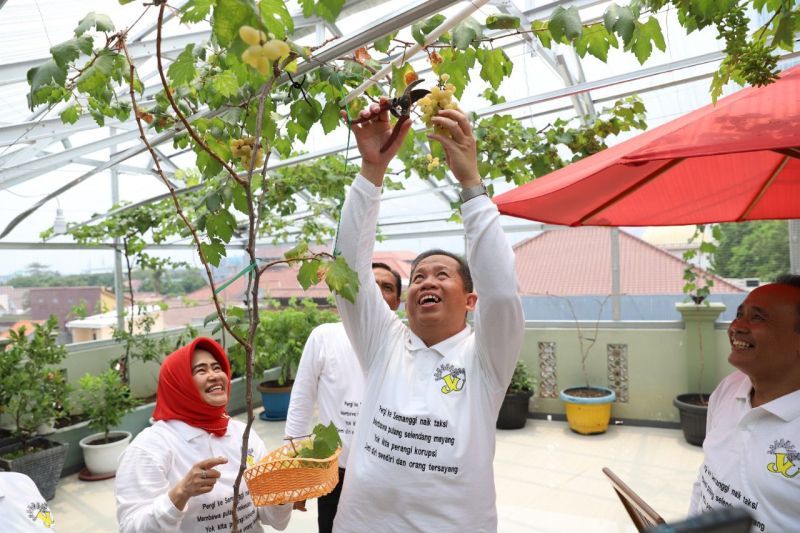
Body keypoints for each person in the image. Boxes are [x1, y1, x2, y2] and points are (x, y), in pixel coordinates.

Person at [330, 101, 524, 531]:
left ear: (471, 301)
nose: (426, 282)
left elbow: (502, 292)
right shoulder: (384, 343)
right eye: (418, 276)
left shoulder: (486, 359)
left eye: (442, 275)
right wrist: (370, 172)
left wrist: (471, 184)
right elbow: (347, 274)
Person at [115, 337, 291, 532]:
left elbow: (274, 520)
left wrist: (282, 493)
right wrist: (180, 494)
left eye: (217, 368)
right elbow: (131, 528)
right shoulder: (150, 448)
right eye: (201, 370)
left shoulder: (242, 433)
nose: (215, 375)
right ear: (179, 383)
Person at [285, 262, 402, 532]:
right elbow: (301, 403)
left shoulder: (406, 342)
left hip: (388, 470)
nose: (378, 293)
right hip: (335, 471)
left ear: (397, 301)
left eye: (387, 287)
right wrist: (297, 473)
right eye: (371, 285)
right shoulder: (324, 337)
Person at [689, 274, 800, 532]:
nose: (736, 326)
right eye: (739, 313)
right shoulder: (729, 389)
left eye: (758, 317)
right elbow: (706, 478)